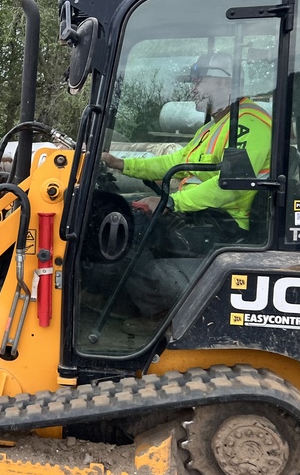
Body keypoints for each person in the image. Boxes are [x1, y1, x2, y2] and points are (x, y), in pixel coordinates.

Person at [98, 52, 272, 335]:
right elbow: (174, 162)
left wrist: (172, 202)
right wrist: (122, 164)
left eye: (198, 81)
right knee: (118, 210)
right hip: (200, 213)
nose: (193, 89)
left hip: (224, 224)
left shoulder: (248, 124)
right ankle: (112, 296)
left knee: (130, 230)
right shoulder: (213, 126)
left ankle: (161, 312)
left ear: (222, 81)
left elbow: (230, 186)